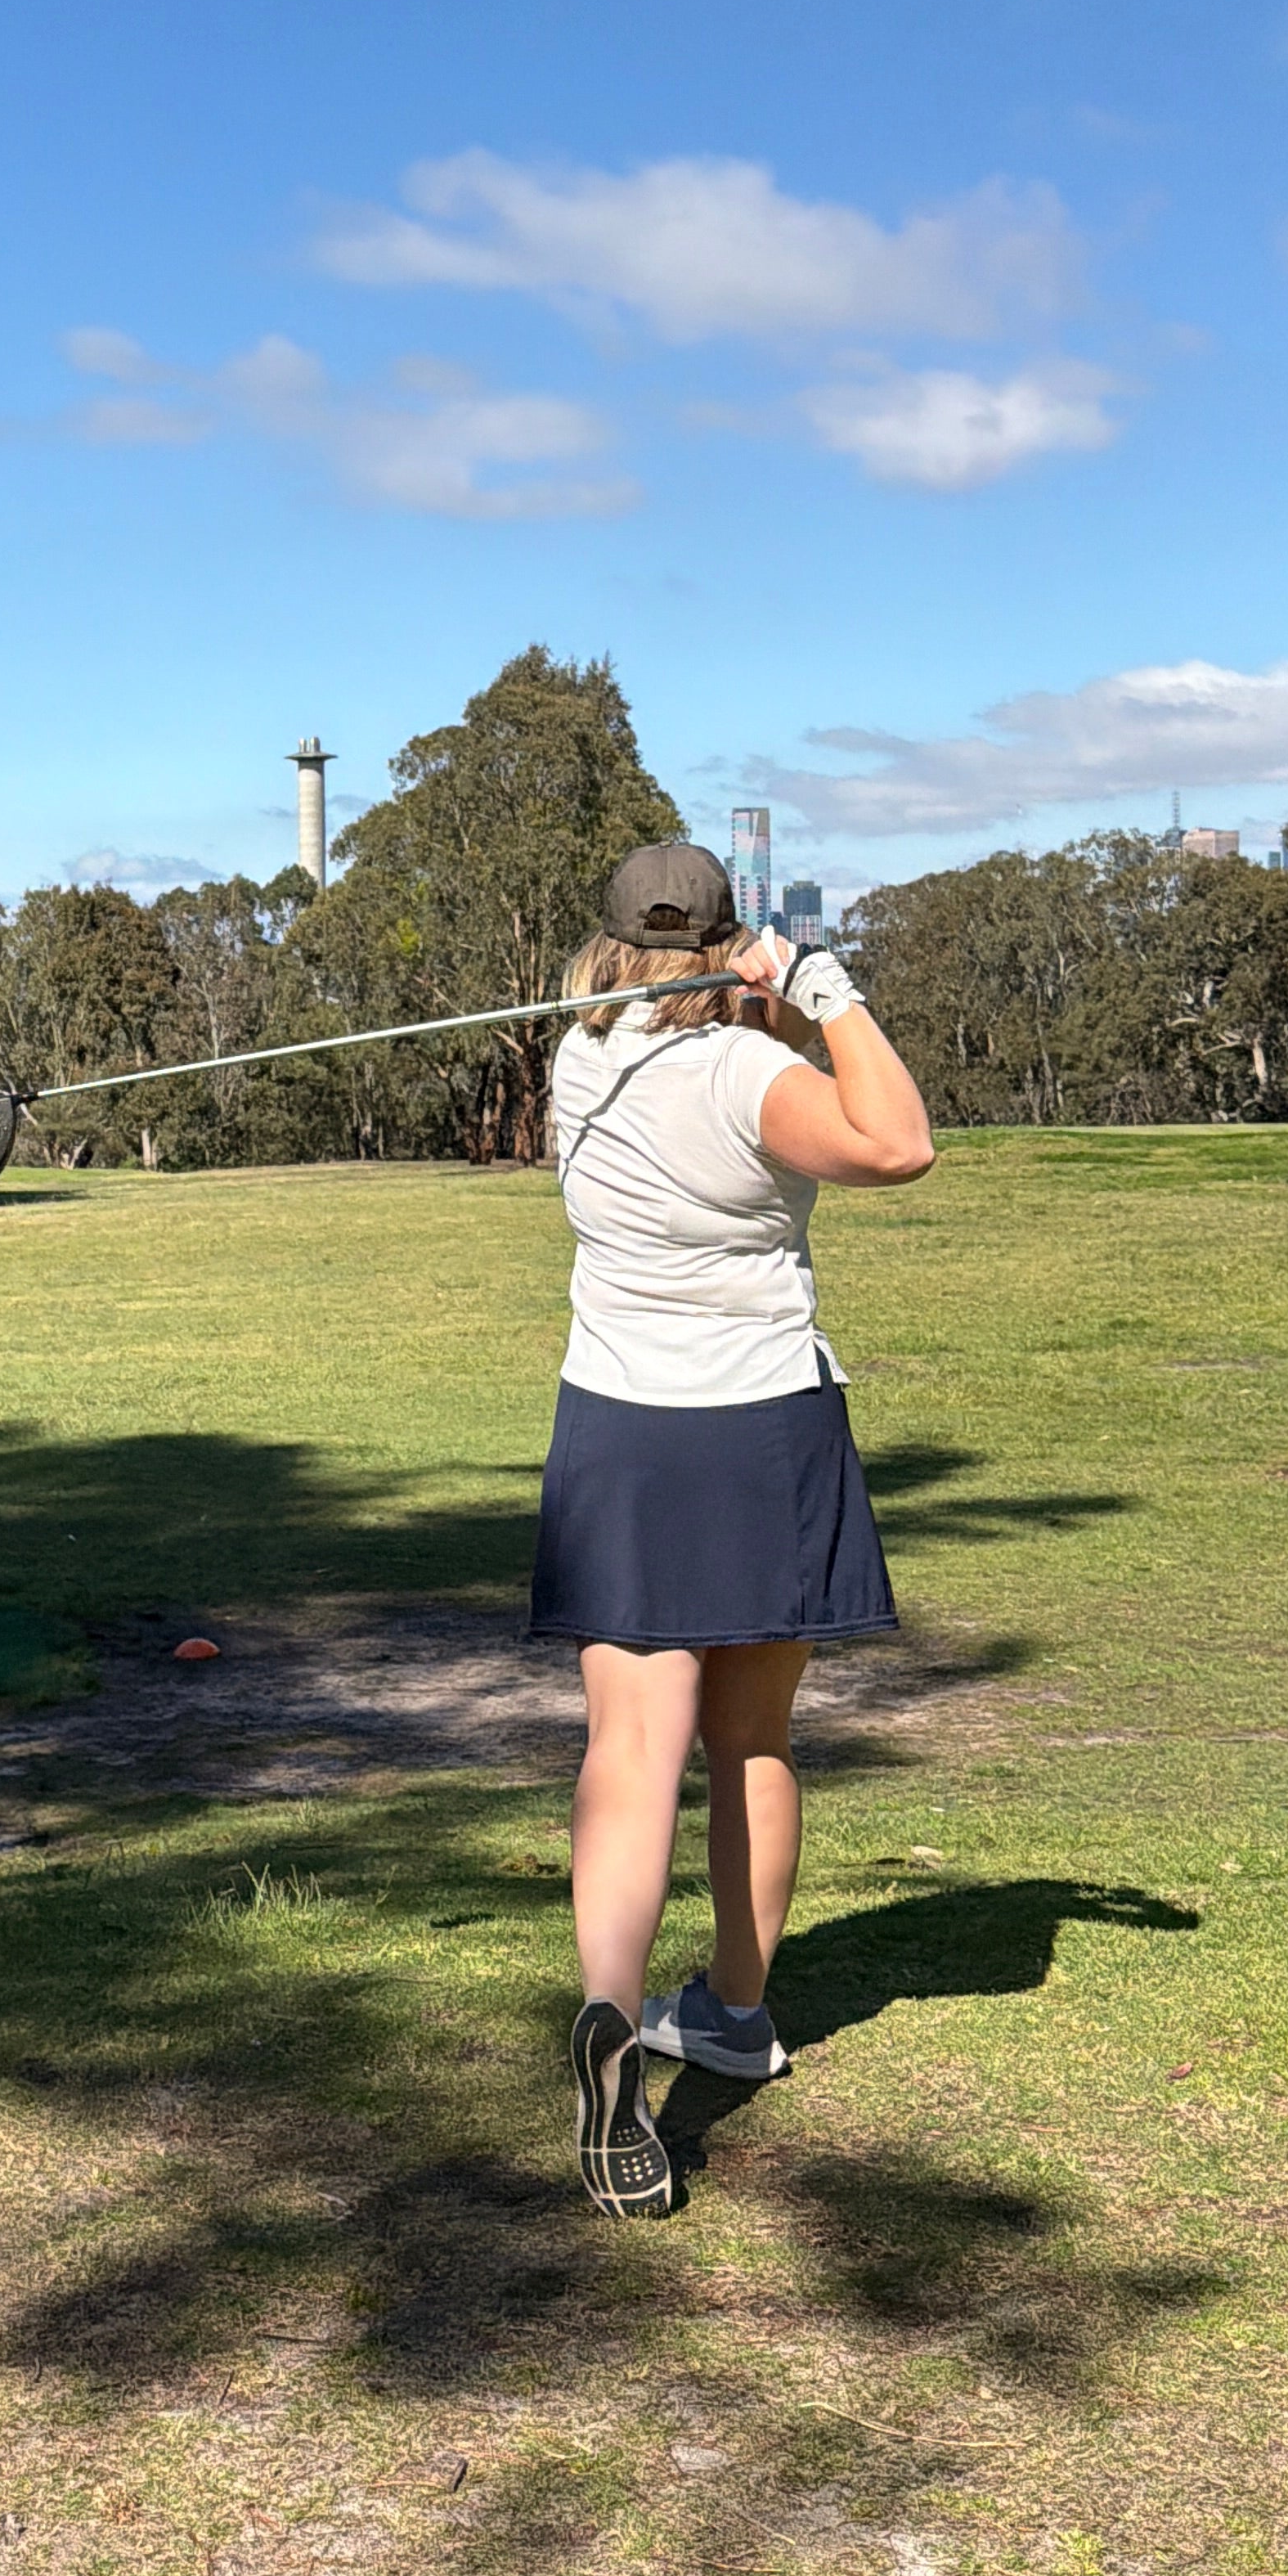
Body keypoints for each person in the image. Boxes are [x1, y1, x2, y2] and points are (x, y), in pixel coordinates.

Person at [537, 842, 935, 2219]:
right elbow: (897, 1141)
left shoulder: (579, 1060)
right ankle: (730, 2013)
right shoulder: (755, 1075)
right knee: (751, 1741)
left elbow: (694, 1047)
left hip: (621, 1432)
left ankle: (611, 2008)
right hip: (759, 1424)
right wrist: (823, 988)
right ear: (726, 935)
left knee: (630, 1745)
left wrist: (741, 1001)